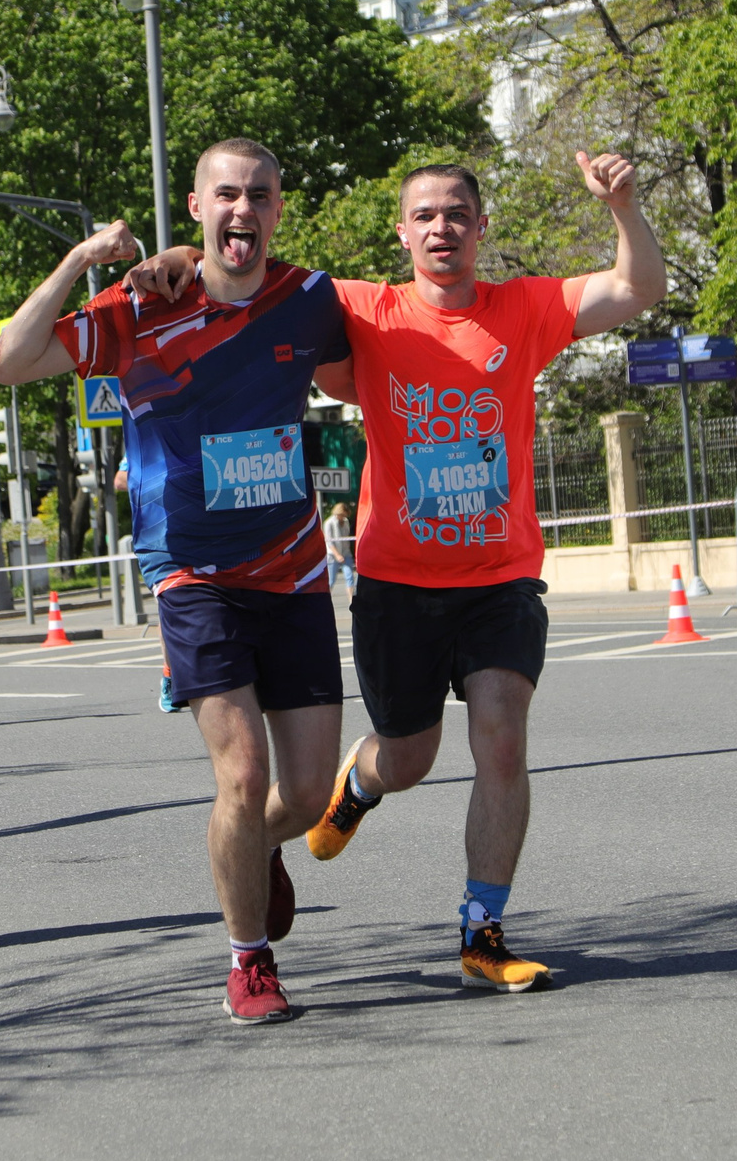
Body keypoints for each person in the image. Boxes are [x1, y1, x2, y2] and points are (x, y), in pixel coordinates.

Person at [132, 150, 663, 991]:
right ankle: (358, 784)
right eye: (425, 215)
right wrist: (184, 260)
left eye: (457, 213)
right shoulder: (365, 311)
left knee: (502, 736)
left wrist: (625, 208)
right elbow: (252, 271)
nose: (442, 227)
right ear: (402, 232)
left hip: (500, 577)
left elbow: (635, 290)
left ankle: (482, 931)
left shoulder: (525, 307)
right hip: (398, 585)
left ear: (481, 228)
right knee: (409, 756)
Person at [0, 139, 352, 1025]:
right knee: (242, 774)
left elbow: (372, 370)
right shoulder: (139, 308)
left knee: (304, 797)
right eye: (225, 194)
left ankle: (249, 849)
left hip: (296, 567)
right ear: (196, 207)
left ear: (276, 208)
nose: (244, 209)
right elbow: (6, 360)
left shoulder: (308, 298)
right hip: (191, 572)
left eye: (259, 195)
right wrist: (83, 260)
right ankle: (249, 960)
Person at [322, 502, 357, 599]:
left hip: (346, 554)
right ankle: (326, 599)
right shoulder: (329, 523)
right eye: (342, 514)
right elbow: (329, 542)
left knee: (350, 577)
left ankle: (352, 601)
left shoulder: (345, 521)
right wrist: (337, 555)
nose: (344, 517)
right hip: (333, 555)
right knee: (331, 580)